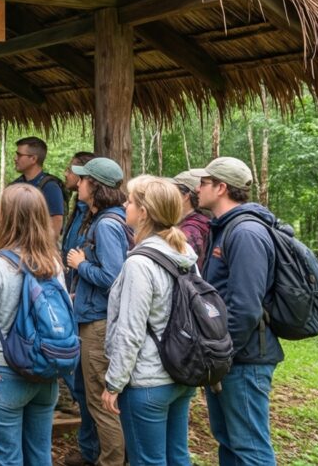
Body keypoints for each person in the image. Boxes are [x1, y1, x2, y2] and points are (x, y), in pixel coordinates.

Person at [0, 183, 63, 465]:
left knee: (5, 460)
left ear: (4, 217)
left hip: (2, 375)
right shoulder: (53, 262)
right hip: (45, 374)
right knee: (40, 456)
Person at [102, 175, 198, 466]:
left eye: (129, 200)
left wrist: (114, 383)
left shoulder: (140, 263)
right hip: (180, 373)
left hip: (147, 381)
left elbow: (130, 330)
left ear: (143, 212)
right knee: (177, 456)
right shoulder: (185, 254)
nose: (124, 204)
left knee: (148, 460)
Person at [193, 157, 280, 466]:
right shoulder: (226, 228)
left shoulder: (245, 233)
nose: (197, 187)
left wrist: (221, 356)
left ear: (221, 187)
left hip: (243, 360)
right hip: (230, 357)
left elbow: (245, 307)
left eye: (203, 182)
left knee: (250, 449)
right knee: (229, 442)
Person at [65, 157, 130, 466]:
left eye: (83, 179)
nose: (77, 183)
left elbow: (114, 279)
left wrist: (81, 265)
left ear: (96, 186)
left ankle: (111, 461)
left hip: (99, 324)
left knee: (101, 402)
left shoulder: (106, 225)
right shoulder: (107, 219)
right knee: (94, 397)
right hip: (93, 315)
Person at [60, 151, 99, 466]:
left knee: (88, 384)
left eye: (73, 170)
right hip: (76, 299)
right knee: (79, 379)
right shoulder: (79, 210)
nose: (67, 174)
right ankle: (89, 449)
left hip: (88, 308)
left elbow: (110, 274)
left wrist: (80, 269)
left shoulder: (101, 221)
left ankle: (97, 452)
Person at [12, 136, 66, 236]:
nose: (15, 158)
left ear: (33, 159)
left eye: (19, 155)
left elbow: (56, 224)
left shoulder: (50, 187)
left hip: (37, 249)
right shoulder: (15, 185)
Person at [168, 170, 211, 273]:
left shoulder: (189, 231)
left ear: (185, 196)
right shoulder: (203, 220)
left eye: (173, 192)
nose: (168, 196)